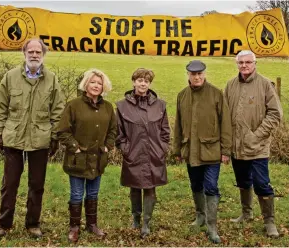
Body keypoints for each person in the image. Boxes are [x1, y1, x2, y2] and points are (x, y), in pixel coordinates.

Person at [0, 38, 64, 239]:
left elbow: (58, 109)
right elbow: (1, 107)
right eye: (30, 51)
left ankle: (33, 224)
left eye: (38, 52)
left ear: (43, 55)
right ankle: (3, 224)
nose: (34, 55)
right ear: (24, 53)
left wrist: (54, 136)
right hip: (13, 138)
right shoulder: (10, 77)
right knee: (10, 183)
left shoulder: (51, 79)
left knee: (37, 184)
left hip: (40, 139)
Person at [224, 50, 283, 238]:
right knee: (243, 181)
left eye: (248, 62)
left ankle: (269, 222)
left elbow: (275, 114)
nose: (244, 66)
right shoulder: (230, 85)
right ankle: (247, 213)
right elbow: (224, 115)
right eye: (241, 62)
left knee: (262, 184)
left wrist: (256, 136)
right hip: (237, 146)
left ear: (255, 63)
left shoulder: (265, 85)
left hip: (258, 147)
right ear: (237, 64)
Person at [172, 60, 232, 244]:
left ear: (204, 74)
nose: (197, 77)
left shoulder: (216, 94)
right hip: (190, 151)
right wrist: (177, 150)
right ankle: (200, 216)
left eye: (200, 74)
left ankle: (212, 226)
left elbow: (226, 123)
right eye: (193, 74)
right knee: (195, 185)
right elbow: (178, 125)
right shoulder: (182, 95)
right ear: (188, 75)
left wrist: (226, 150)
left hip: (211, 151)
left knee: (211, 186)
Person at [57, 68, 117, 243]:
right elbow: (62, 131)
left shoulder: (107, 107)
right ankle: (74, 227)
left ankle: (92, 225)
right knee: (76, 194)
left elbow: (113, 130)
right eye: (93, 82)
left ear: (103, 86)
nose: (96, 86)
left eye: (99, 83)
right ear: (86, 84)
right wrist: (74, 147)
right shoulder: (73, 105)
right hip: (78, 159)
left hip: (97, 159)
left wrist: (108, 146)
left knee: (93, 193)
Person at [116, 68, 170, 238]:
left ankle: (146, 221)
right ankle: (136, 218)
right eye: (139, 80)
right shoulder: (122, 106)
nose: (142, 83)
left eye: (146, 81)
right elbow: (119, 133)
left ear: (150, 83)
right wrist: (126, 149)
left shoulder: (160, 105)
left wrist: (162, 148)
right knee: (134, 188)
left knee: (150, 188)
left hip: (154, 154)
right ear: (133, 82)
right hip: (133, 153)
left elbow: (165, 131)